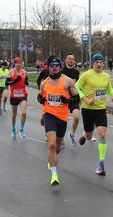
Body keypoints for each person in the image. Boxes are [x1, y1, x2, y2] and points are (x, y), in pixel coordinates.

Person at [37, 58, 79, 186]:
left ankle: (53, 159)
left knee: (58, 147)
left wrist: (67, 101)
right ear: (48, 68)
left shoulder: (67, 81)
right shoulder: (44, 83)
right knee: (51, 145)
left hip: (62, 117)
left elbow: (77, 97)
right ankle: (54, 175)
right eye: (51, 66)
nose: (54, 67)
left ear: (60, 67)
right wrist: (40, 99)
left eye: (56, 65)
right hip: (49, 115)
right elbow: (40, 96)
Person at [75, 53, 113, 176]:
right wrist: (85, 99)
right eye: (96, 62)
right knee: (88, 135)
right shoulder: (86, 75)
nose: (99, 64)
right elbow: (77, 87)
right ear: (92, 63)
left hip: (101, 109)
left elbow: (110, 90)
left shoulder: (106, 76)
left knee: (102, 134)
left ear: (103, 63)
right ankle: (84, 134)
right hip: (87, 109)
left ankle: (101, 163)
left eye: (100, 62)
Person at [5, 57, 29, 139]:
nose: (19, 64)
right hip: (14, 96)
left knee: (24, 113)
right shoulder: (11, 72)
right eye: (17, 63)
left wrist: (26, 82)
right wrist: (15, 81)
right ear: (14, 64)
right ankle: (13, 128)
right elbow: (6, 83)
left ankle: (21, 130)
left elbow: (26, 80)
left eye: (20, 63)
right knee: (14, 114)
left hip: (22, 95)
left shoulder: (24, 72)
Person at [61, 52, 80, 147]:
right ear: (66, 60)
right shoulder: (61, 72)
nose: (71, 60)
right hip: (63, 99)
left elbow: (78, 86)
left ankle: (72, 134)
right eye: (69, 58)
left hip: (73, 98)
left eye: (72, 59)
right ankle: (61, 138)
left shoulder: (76, 72)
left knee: (76, 117)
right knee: (63, 120)